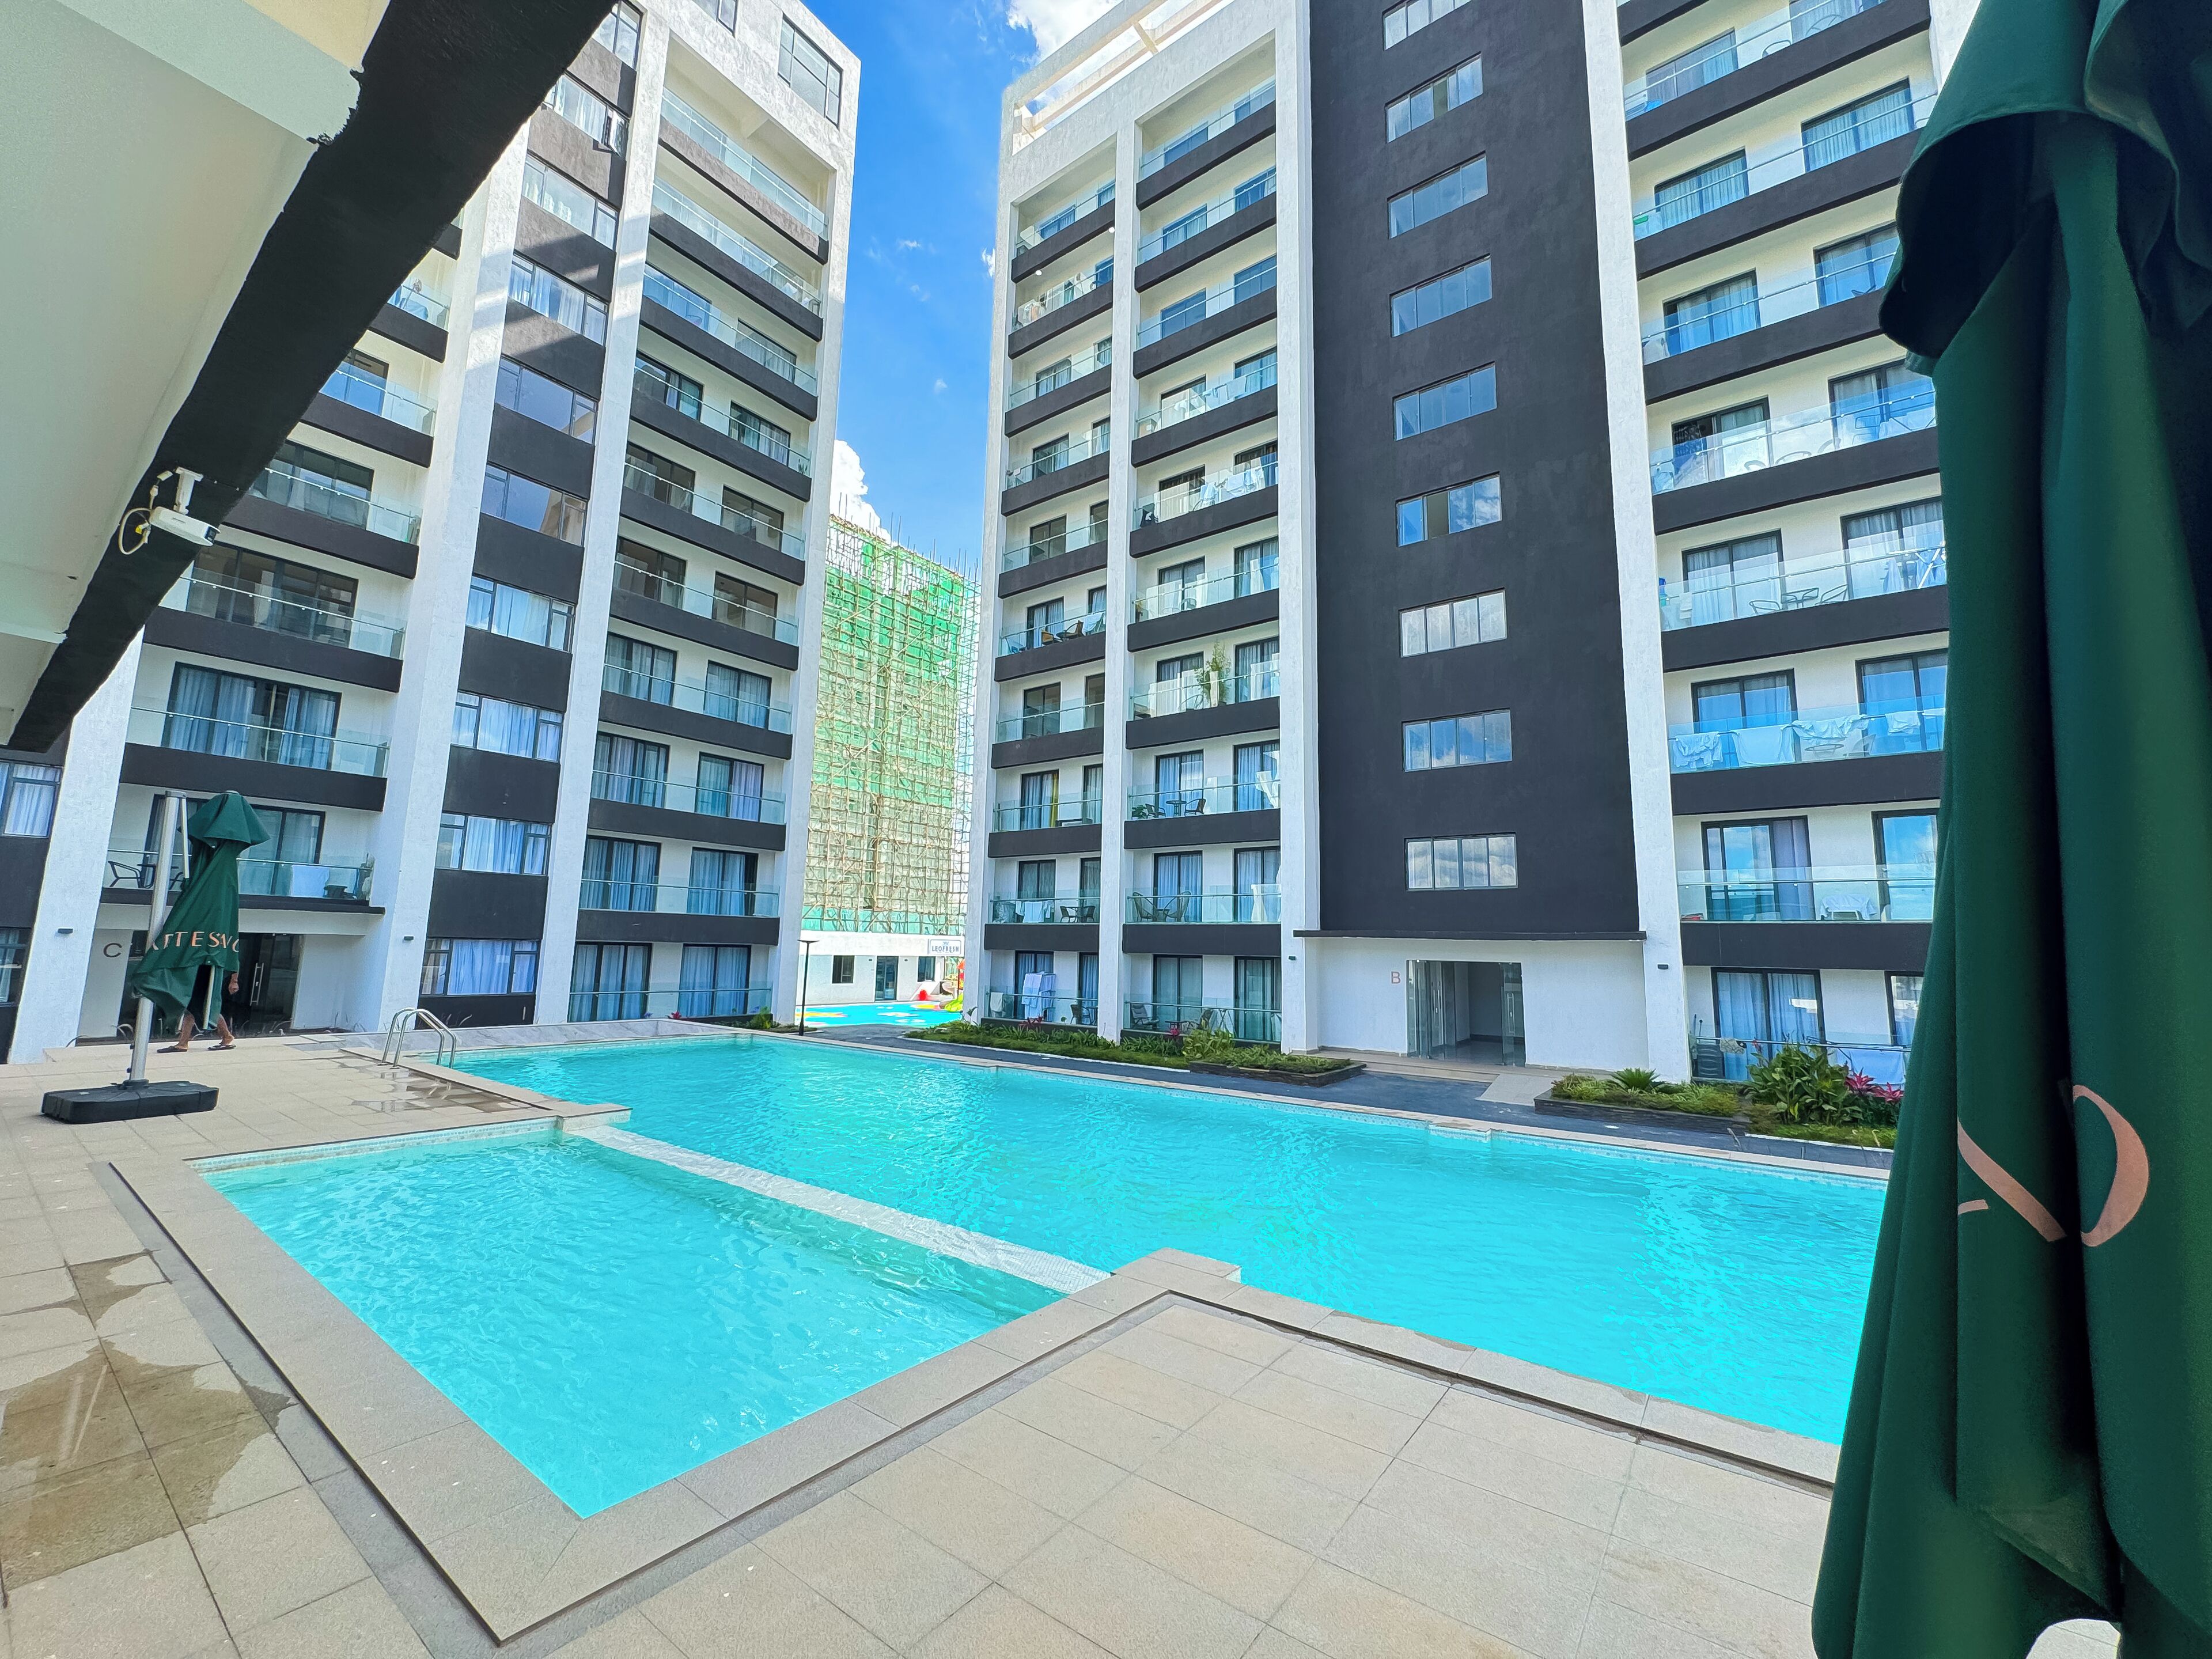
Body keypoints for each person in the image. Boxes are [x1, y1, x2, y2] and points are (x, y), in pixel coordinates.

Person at [164, 966, 238, 1052]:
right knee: (192, 1008)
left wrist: (234, 981)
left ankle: (226, 1036)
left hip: (207, 975)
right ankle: (183, 1042)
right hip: (197, 975)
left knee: (202, 1008)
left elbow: (234, 960)